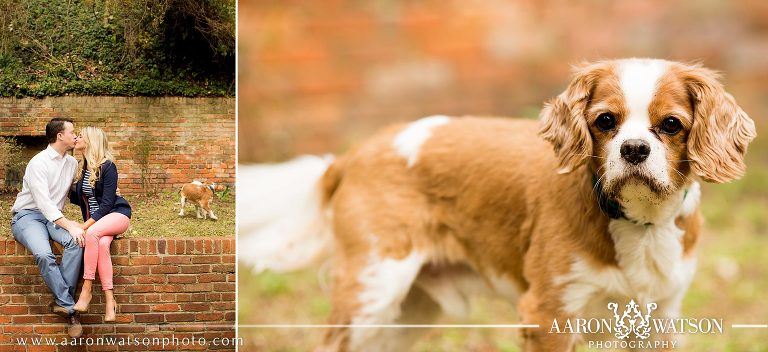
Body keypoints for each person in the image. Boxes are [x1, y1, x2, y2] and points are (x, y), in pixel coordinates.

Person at [11, 117, 85, 338]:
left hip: (53, 217)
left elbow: (74, 193)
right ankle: (71, 309)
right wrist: (69, 225)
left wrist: (104, 196)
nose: (76, 135)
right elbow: (43, 202)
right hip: (27, 216)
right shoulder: (38, 162)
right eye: (72, 132)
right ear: (60, 136)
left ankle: (62, 301)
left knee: (75, 243)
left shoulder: (72, 163)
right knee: (44, 253)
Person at [69, 127, 132, 322]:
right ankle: (109, 301)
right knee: (102, 244)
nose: (77, 138)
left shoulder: (108, 166)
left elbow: (106, 205)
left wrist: (83, 226)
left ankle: (86, 290)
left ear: (91, 140)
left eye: (81, 135)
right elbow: (78, 198)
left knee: (92, 233)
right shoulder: (83, 167)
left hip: (116, 215)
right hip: (99, 224)